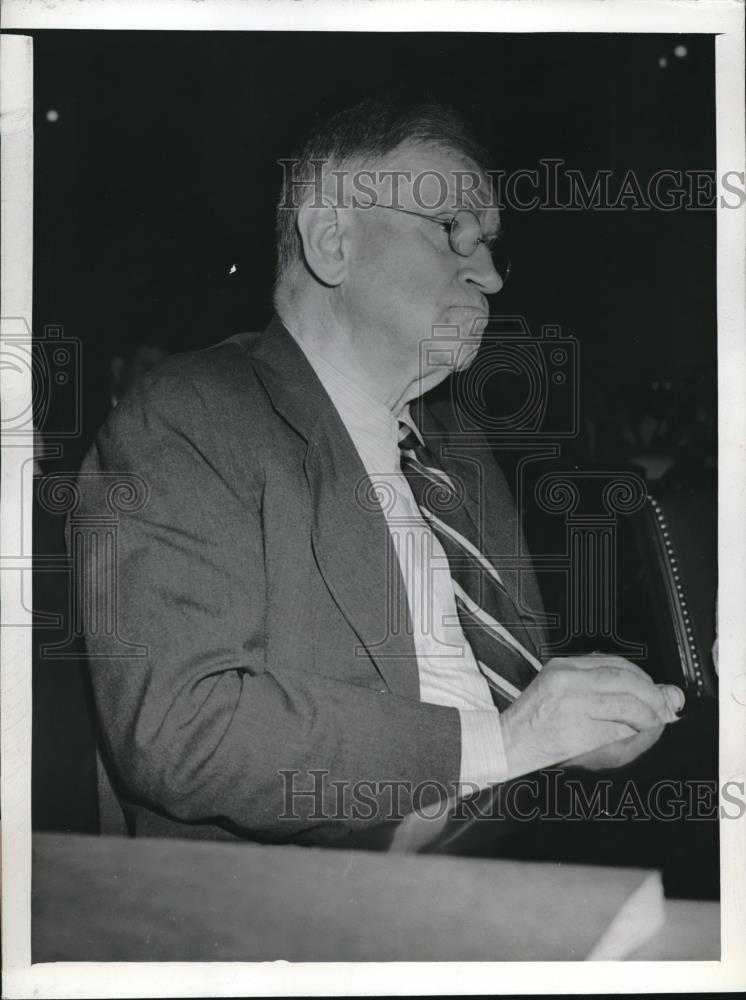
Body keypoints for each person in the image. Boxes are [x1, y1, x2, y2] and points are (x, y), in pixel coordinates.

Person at [78, 100, 684, 844]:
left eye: (493, 244)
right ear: (332, 239)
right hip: (319, 904)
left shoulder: (456, 450)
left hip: (516, 844)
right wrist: (509, 742)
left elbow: (510, 708)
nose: (491, 274)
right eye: (451, 229)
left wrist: (580, 725)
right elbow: (182, 727)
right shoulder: (192, 414)